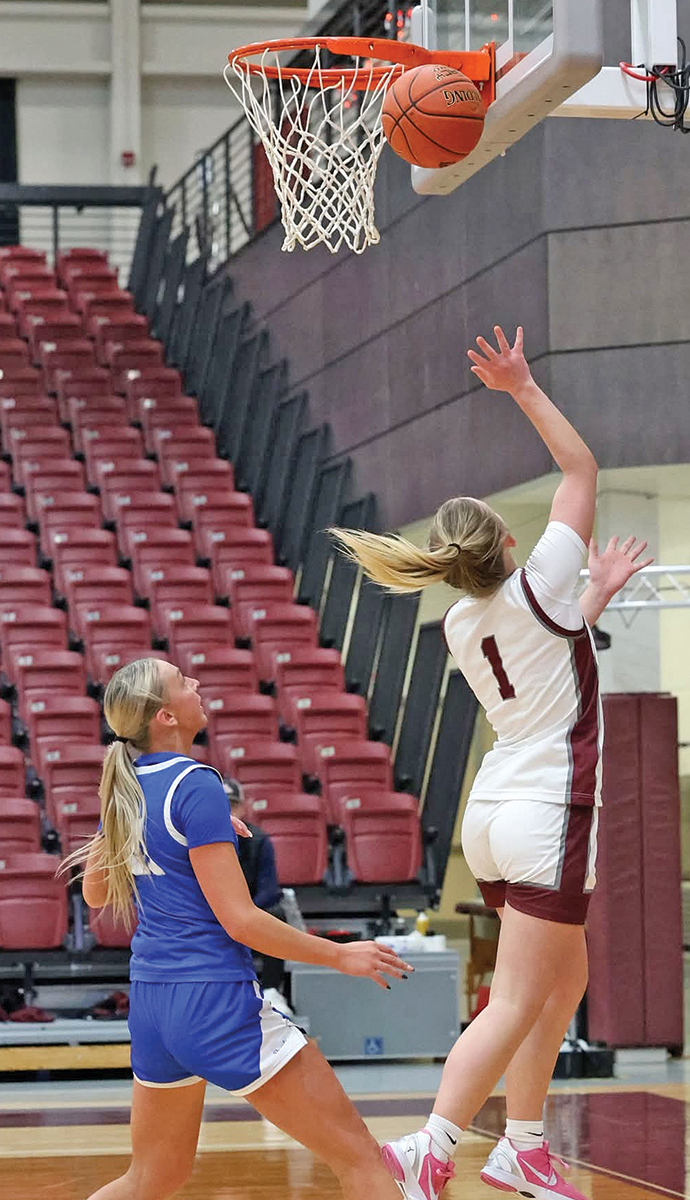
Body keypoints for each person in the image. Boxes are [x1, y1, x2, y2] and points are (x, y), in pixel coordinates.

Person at [329, 326, 653, 1200]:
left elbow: (553, 636)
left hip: (497, 809)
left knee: (563, 980)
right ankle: (430, 1148)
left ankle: (524, 1144)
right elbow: (581, 470)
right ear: (508, 545)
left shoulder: (464, 622)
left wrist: (598, 596)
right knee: (518, 999)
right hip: (550, 808)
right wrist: (521, 388)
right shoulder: (539, 576)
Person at [61, 656, 411, 1200]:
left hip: (153, 1002)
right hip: (214, 999)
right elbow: (241, 919)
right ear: (165, 718)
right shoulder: (196, 783)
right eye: (181, 682)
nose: (195, 684)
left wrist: (175, 830)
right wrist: (341, 956)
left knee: (153, 1178)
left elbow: (95, 893)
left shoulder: (131, 785)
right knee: (363, 1159)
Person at [223, 775, 291, 1009]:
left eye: (232, 805)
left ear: (242, 807)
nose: (228, 811)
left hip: (250, 912)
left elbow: (270, 889)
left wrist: (244, 915)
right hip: (216, 916)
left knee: (276, 915)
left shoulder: (259, 840)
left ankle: (272, 990)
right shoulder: (199, 840)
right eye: (222, 805)